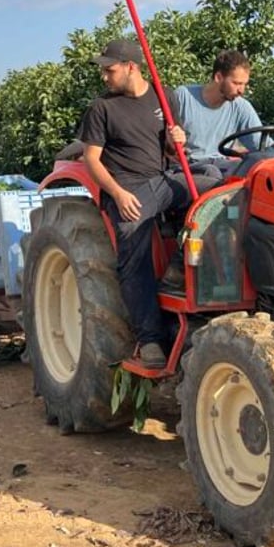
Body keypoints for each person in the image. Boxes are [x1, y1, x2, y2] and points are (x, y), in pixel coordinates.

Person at [80, 39, 206, 370]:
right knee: (132, 258)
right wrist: (118, 194)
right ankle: (150, 339)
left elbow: (167, 151)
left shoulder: (162, 98)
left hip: (163, 181)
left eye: (110, 70)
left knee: (217, 190)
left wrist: (174, 140)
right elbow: (91, 160)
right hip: (127, 189)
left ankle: (181, 266)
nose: (104, 77)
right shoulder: (101, 108)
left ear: (131, 67)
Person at [173, 50, 263, 176]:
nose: (241, 90)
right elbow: (164, 137)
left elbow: (261, 143)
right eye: (237, 83)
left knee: (250, 169)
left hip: (222, 165)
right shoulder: (183, 96)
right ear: (218, 77)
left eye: (244, 84)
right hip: (188, 167)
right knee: (211, 172)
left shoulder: (241, 106)